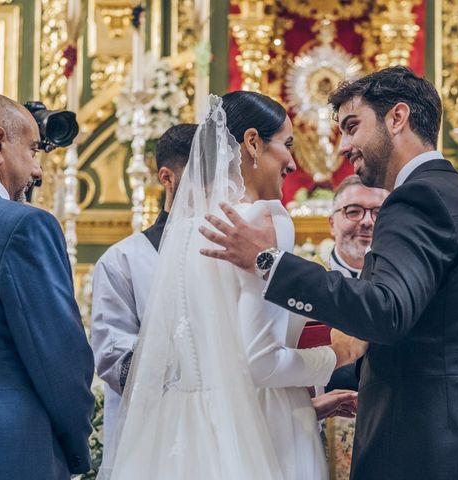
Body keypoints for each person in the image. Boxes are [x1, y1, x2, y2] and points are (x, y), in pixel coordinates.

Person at [199, 67, 458, 479]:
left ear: (397, 118)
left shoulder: (418, 197)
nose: (344, 147)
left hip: (428, 449)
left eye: (353, 127)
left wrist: (268, 262)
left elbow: (386, 311)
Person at [102, 93, 355, 480]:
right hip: (265, 437)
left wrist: (308, 406)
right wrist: (336, 354)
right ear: (252, 142)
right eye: (286, 145)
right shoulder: (265, 219)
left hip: (185, 433)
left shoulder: (183, 231)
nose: (292, 161)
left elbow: (213, 363)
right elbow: (261, 364)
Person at [0, 92, 94, 479]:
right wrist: (78, 448)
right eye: (32, 150)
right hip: (0, 453)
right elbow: (61, 360)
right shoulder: (22, 225)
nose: (38, 171)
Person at [91, 123, 198, 465]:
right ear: (167, 178)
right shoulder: (124, 259)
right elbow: (113, 358)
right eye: (202, 174)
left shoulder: (235, 253)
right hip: (151, 439)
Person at [326, 174, 388, 392]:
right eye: (353, 211)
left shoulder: (403, 286)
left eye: (378, 212)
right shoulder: (309, 281)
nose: (367, 221)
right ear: (332, 224)